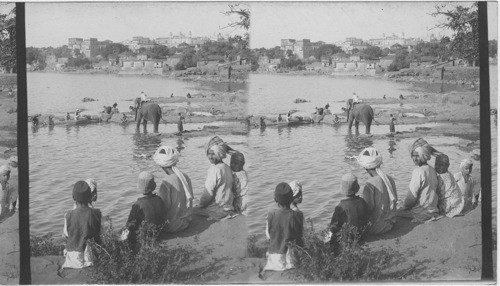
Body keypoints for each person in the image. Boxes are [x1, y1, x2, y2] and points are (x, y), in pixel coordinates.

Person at [356, 147, 398, 234]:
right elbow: (395, 200)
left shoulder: (370, 184)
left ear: (365, 167)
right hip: (390, 223)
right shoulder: (389, 179)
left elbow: (368, 209)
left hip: (377, 228)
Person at [264, 182, 304, 271]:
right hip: (290, 261)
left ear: (275, 199)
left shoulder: (270, 215)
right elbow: (300, 238)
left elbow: (268, 237)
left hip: (272, 259)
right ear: (291, 198)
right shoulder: (297, 215)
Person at [397, 138, 440, 221]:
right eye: (413, 155)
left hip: (421, 213)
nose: (414, 159)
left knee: (394, 210)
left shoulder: (418, 171)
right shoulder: (432, 169)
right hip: (433, 210)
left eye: (417, 156)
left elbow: (411, 198)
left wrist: (403, 207)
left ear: (423, 155)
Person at [153, 146, 194, 233]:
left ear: (160, 165)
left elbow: (163, 207)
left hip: (173, 226)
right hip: (186, 221)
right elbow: (191, 197)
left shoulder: (167, 182)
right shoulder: (185, 176)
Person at [62, 181, 102, 269]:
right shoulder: (96, 213)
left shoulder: (68, 215)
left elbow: (66, 235)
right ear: (89, 196)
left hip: (71, 258)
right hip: (88, 258)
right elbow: (98, 236)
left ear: (73, 197)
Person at [195, 136, 235, 220]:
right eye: (208, 154)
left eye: (213, 154)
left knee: (189, 210)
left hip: (217, 210)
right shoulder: (227, 167)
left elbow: (207, 195)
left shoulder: (214, 169)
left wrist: (200, 206)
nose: (210, 157)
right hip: (228, 208)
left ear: (219, 153)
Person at [124, 171, 166, 246]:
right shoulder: (159, 199)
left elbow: (130, 224)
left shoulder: (137, 204)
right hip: (158, 233)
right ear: (153, 185)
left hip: (145, 236)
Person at [327, 173, 369, 248]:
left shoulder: (341, 206)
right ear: (356, 188)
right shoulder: (362, 201)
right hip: (362, 235)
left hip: (348, 238)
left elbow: (333, 226)